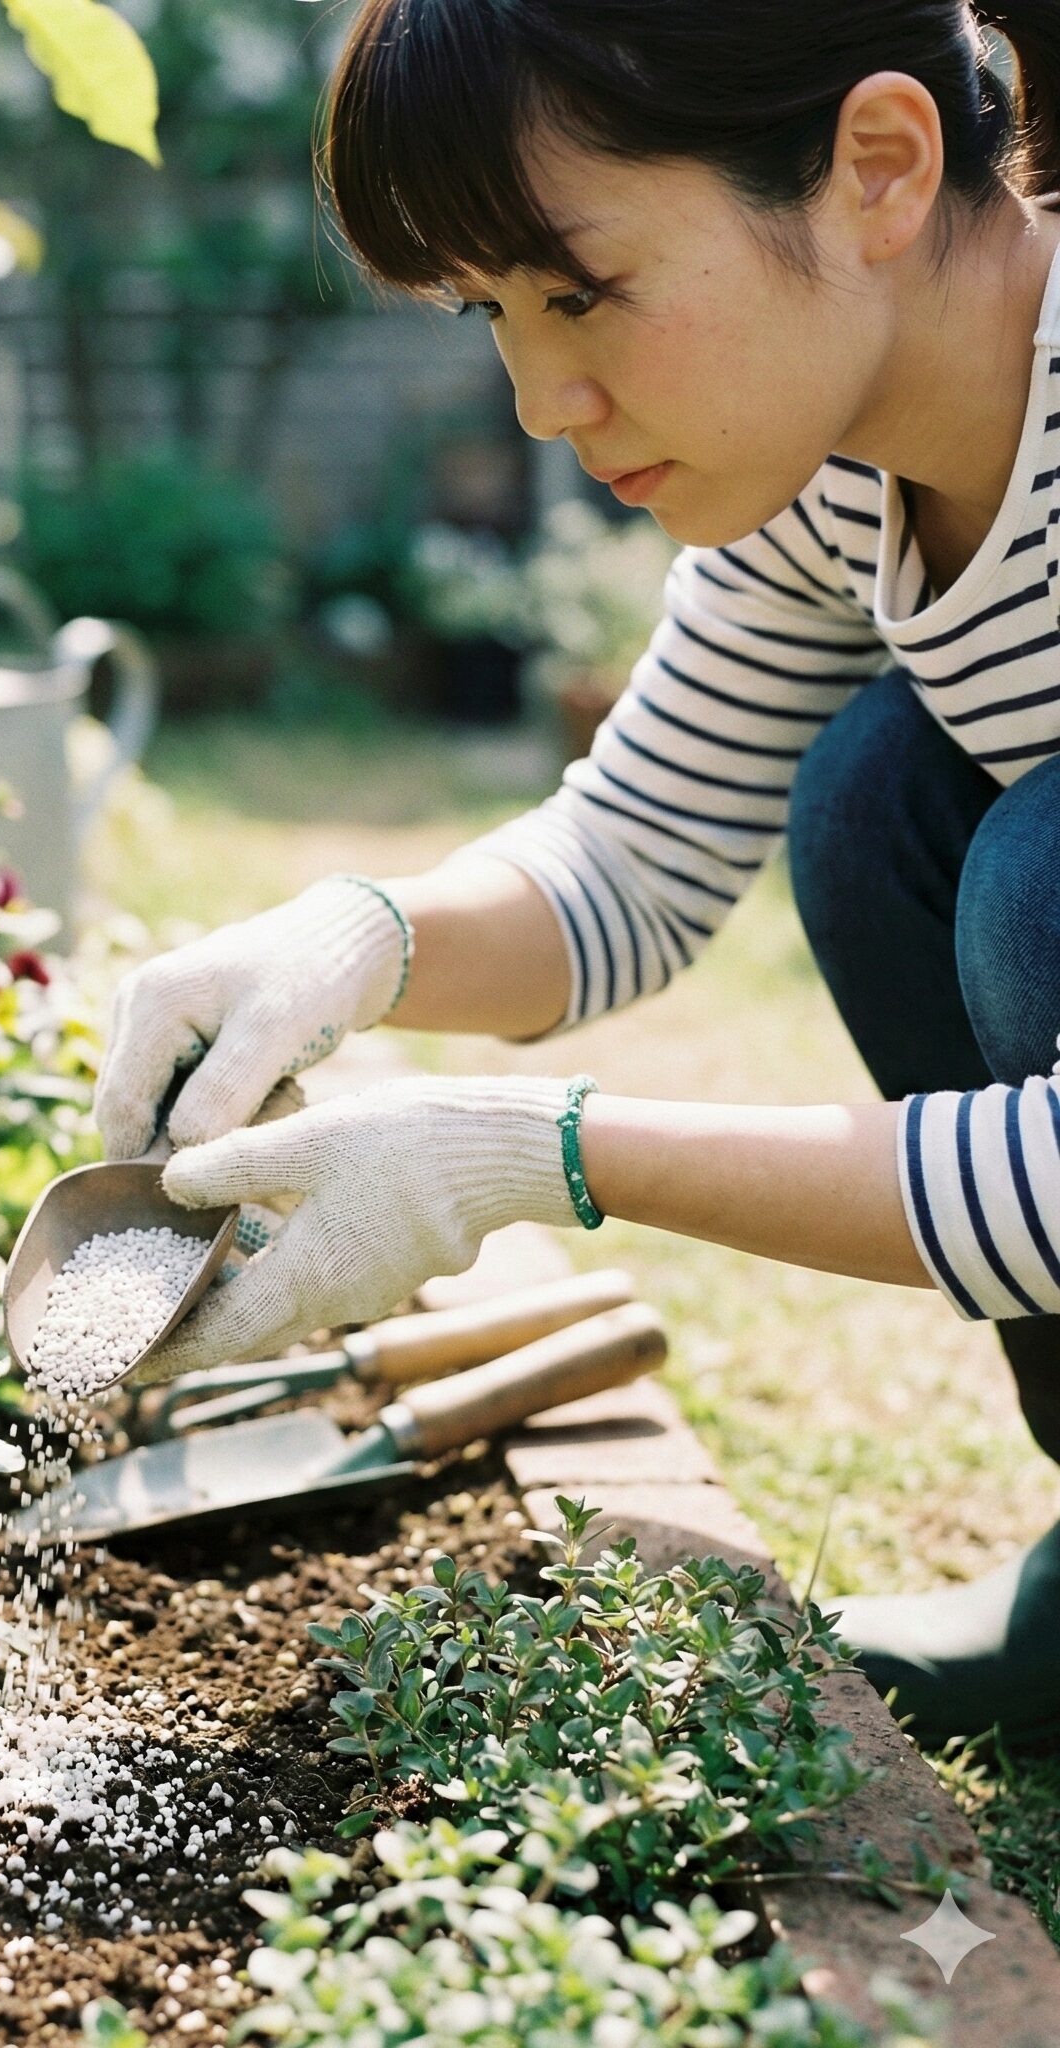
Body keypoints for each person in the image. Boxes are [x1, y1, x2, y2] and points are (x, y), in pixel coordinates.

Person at [95, 0, 1060, 1747]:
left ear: (882, 169)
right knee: (877, 797)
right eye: (492, 312)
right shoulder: (834, 462)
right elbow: (638, 848)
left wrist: (515, 1156)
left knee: (1027, 872)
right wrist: (353, 943)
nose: (541, 401)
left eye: (579, 290)